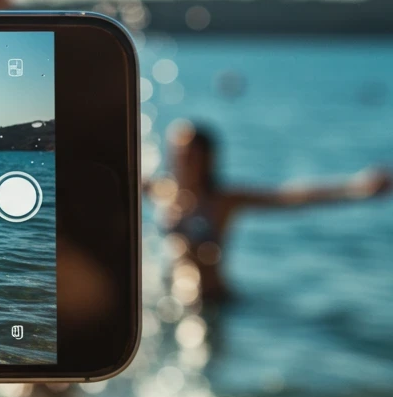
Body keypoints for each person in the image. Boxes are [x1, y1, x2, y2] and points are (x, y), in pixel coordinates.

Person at [148, 120, 391, 301]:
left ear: (207, 159)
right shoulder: (161, 191)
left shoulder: (223, 200)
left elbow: (289, 197)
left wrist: (357, 188)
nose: (182, 161)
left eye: (190, 155)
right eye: (177, 154)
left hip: (213, 301)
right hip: (171, 298)